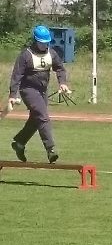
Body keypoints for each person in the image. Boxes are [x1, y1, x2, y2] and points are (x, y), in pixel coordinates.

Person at [9, 25, 69, 164]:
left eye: (47, 42)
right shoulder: (26, 55)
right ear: (35, 41)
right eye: (42, 43)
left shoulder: (51, 54)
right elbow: (16, 76)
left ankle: (19, 143)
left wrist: (62, 83)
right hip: (28, 90)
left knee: (36, 119)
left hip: (42, 91)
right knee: (43, 117)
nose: (44, 45)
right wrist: (13, 95)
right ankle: (50, 149)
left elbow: (60, 68)